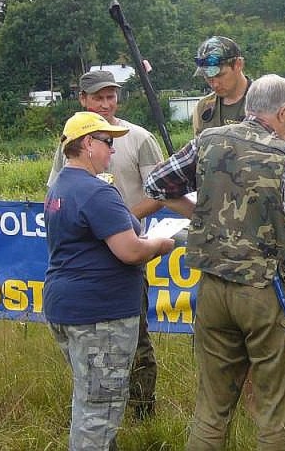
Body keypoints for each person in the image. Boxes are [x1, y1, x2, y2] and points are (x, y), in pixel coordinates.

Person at [144, 74, 285, 450]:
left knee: (212, 407)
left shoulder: (208, 140)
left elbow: (157, 185)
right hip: (266, 291)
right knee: (277, 407)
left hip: (212, 288)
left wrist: (202, 214)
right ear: (282, 112)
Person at [44, 111, 174, 450]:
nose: (112, 151)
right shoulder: (96, 192)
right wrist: (162, 245)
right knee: (99, 412)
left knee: (89, 401)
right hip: (100, 314)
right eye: (108, 143)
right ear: (87, 143)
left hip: (67, 307)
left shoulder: (61, 186)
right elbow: (130, 251)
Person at [191, 35, 285, 167]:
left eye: (220, 75)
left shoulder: (273, 100)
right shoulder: (203, 108)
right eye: (207, 77)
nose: (214, 84)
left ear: (238, 64)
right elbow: (199, 158)